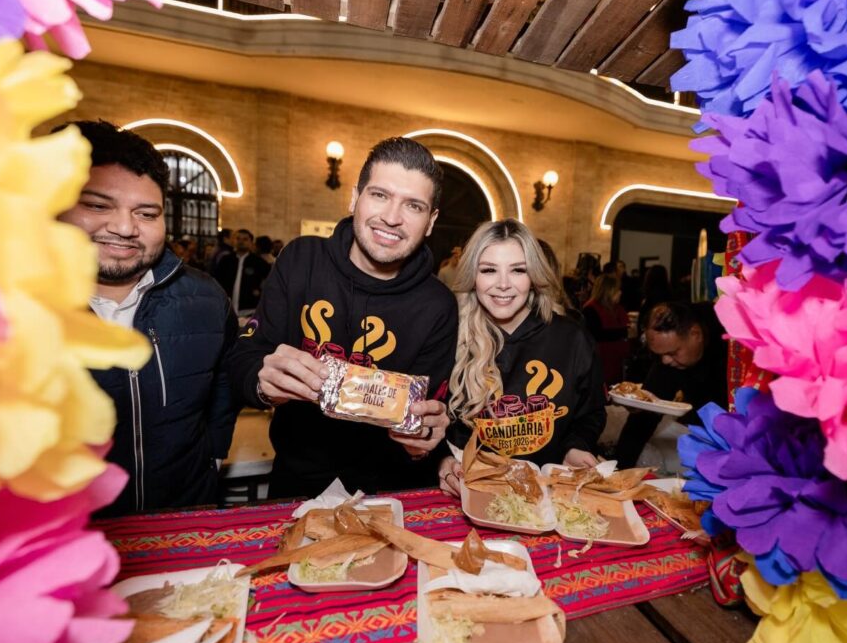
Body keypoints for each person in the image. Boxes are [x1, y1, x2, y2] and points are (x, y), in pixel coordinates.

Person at [225, 137, 458, 497]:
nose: (392, 217)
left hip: (389, 490)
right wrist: (261, 381)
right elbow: (244, 357)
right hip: (295, 481)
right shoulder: (301, 260)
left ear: (431, 222)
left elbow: (428, 418)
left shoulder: (439, 305)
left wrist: (425, 436)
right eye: (380, 195)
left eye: (413, 205)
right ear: (354, 198)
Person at [56, 120, 239, 516]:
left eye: (146, 213)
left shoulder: (205, 298)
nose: (125, 228)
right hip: (63, 535)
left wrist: (214, 453)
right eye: (97, 205)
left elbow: (226, 377)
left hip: (184, 521)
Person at [438, 220, 606, 497]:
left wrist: (575, 446)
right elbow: (431, 423)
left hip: (549, 497)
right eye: (489, 270)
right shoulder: (450, 335)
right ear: (472, 276)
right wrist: (442, 461)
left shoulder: (572, 338)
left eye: (518, 270)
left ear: (534, 277)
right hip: (471, 493)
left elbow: (591, 412)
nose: (503, 284)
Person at [611, 301, 728, 468]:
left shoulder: (731, 337)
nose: (665, 360)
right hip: (702, 430)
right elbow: (644, 417)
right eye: (659, 355)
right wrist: (618, 469)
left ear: (695, 334)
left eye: (672, 353)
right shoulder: (668, 360)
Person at [582, 273, 629, 386]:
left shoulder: (617, 308)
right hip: (601, 362)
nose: (620, 293)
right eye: (617, 290)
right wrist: (624, 332)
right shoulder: (590, 309)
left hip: (617, 362)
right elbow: (596, 334)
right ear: (608, 291)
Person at [216, 228, 271, 316]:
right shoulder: (226, 260)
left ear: (251, 242)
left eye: (245, 239)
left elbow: (269, 281)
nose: (241, 242)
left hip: (250, 310)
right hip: (227, 308)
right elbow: (217, 280)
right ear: (234, 241)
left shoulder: (259, 262)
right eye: (238, 238)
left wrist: (259, 291)